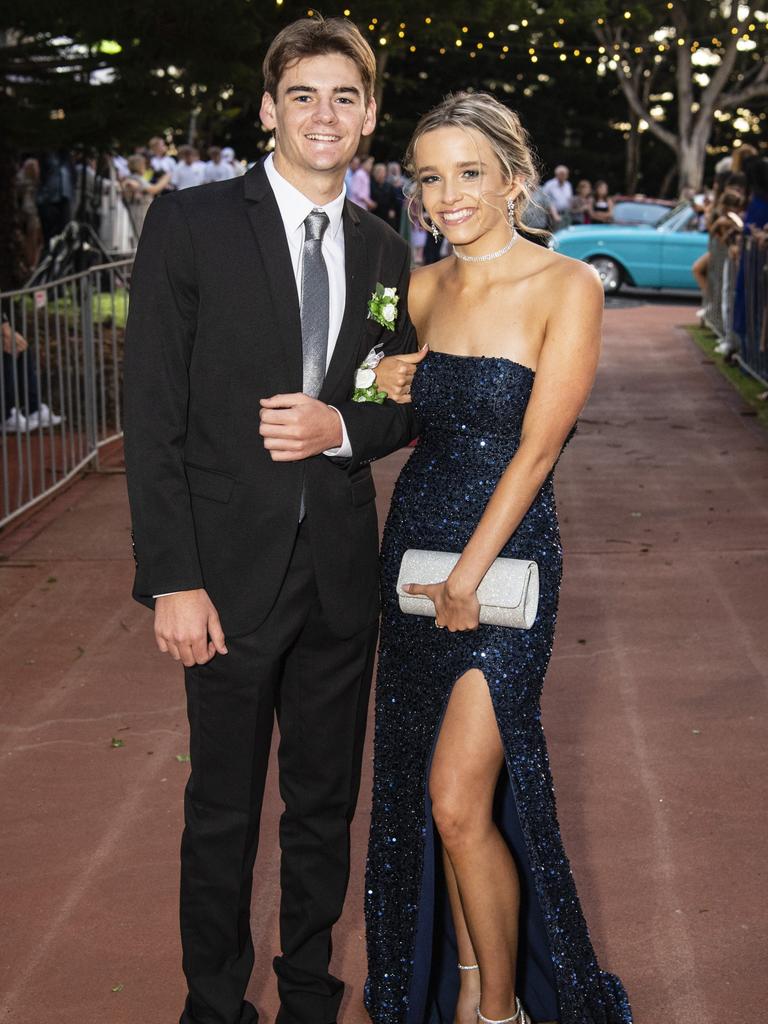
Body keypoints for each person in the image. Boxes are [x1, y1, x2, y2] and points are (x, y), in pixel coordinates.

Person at [123, 16, 424, 1024]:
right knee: (220, 812)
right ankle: (213, 1003)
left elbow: (400, 398)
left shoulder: (387, 248)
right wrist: (172, 576)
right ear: (268, 109)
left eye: (345, 96)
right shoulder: (193, 221)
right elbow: (152, 410)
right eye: (303, 95)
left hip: (340, 575)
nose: (324, 114)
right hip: (222, 576)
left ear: (370, 114)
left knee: (323, 808)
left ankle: (308, 996)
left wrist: (344, 425)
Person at [364, 92, 633, 1024]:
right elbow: (395, 408)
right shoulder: (423, 287)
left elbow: (537, 449)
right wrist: (385, 376)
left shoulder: (568, 285)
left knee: (453, 797)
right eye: (430, 178)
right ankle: (474, 982)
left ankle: (502, 1013)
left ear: (514, 178)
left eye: (468, 173)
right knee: (429, 792)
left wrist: (471, 573)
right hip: (414, 549)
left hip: (506, 558)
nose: (448, 195)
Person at [541, 163, 572, 230]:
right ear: (557, 174)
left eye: (565, 174)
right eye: (562, 174)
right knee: (555, 234)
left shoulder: (568, 185)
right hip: (552, 215)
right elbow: (544, 200)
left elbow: (569, 199)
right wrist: (552, 213)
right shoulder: (549, 185)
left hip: (566, 214)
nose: (563, 176)